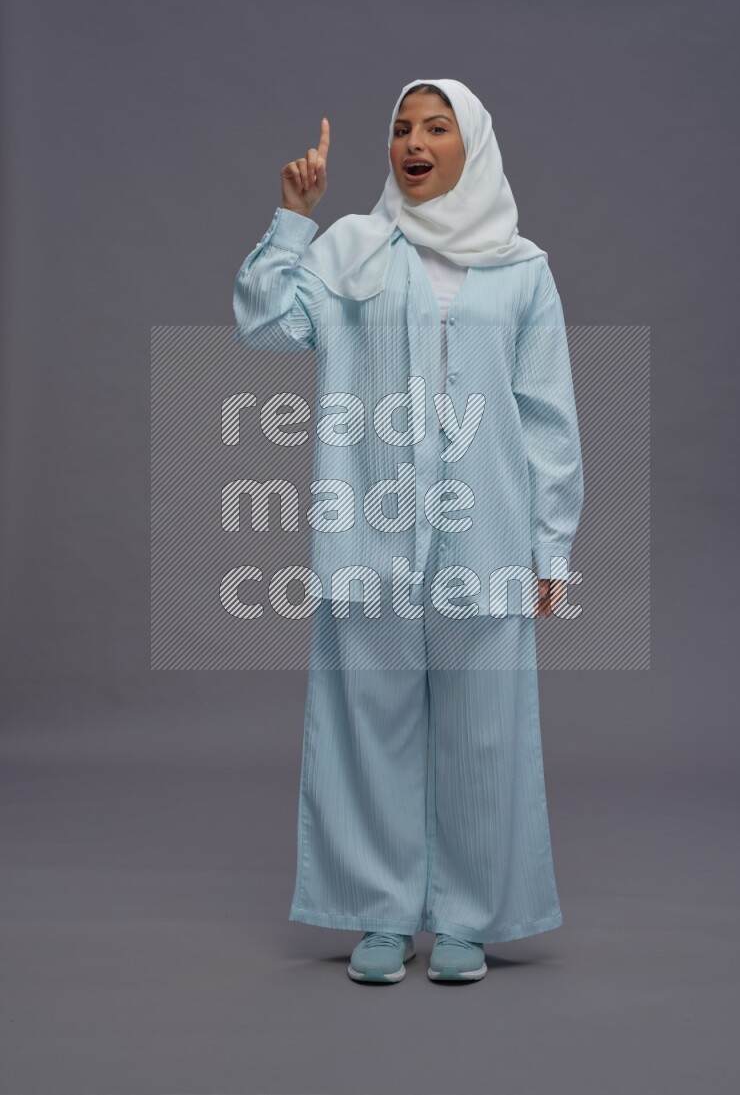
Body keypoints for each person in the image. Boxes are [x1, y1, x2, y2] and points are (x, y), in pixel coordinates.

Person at [232, 78, 584, 984]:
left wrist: (554, 547)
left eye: (436, 127)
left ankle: (466, 915)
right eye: (399, 128)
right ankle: (381, 912)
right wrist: (291, 218)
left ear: (473, 144)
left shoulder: (521, 269)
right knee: (364, 724)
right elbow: (266, 324)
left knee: (485, 734)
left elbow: (548, 415)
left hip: (487, 537)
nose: (413, 142)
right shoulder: (355, 252)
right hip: (370, 533)